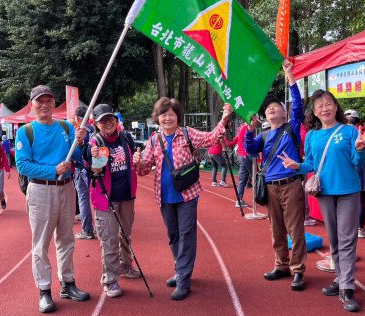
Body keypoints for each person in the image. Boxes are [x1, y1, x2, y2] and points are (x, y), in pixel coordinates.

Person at [133, 98, 233, 300]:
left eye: (171, 114)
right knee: (174, 236)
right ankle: (181, 269)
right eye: (163, 115)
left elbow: (211, 138)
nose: (167, 118)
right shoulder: (153, 140)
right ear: (158, 118)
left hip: (187, 194)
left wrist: (224, 119)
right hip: (165, 196)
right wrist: (138, 162)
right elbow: (144, 169)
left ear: (177, 117)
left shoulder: (187, 134)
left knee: (187, 234)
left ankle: (183, 279)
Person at [279, 89, 365, 312]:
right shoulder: (312, 136)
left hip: (348, 190)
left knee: (347, 239)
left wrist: (359, 149)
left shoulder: (349, 131)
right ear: (315, 113)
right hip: (325, 193)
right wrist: (297, 166)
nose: (325, 108)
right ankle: (340, 278)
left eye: (328, 104)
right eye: (319, 106)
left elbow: (359, 162)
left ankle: (347, 287)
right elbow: (310, 163)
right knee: (335, 239)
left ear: (335, 106)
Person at [15, 85, 90, 314]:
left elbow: (77, 157)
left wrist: (81, 141)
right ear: (32, 105)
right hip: (41, 190)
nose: (44, 105)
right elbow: (23, 165)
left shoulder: (66, 127)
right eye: (40, 101)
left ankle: (67, 283)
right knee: (41, 244)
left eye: (48, 100)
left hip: (66, 188)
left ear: (54, 103)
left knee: (66, 239)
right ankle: (44, 290)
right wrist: (53, 169)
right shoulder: (26, 131)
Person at [245, 60, 307, 291]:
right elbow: (250, 149)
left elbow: (298, 105)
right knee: (276, 230)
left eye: (275, 106)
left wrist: (289, 76)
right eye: (267, 107)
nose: (271, 108)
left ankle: (298, 270)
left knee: (295, 229)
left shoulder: (291, 128)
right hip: (271, 187)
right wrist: (250, 130)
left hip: (291, 185)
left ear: (284, 111)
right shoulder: (262, 135)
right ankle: (281, 266)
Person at [87, 103, 141, 298]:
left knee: (125, 234)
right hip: (106, 199)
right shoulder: (97, 142)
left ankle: (125, 266)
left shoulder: (126, 138)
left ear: (117, 121)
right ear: (97, 124)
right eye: (103, 120)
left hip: (127, 196)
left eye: (110, 119)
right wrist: (94, 161)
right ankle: (109, 279)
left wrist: (138, 159)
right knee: (109, 240)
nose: (108, 123)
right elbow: (97, 172)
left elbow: (135, 159)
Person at [345, 109, 365, 238]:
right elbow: (364, 154)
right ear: (358, 121)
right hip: (359, 167)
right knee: (361, 201)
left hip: (346, 170)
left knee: (346, 201)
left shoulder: (341, 132)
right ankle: (360, 228)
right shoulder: (358, 132)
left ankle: (348, 228)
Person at [73, 106, 96, 240]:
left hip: (81, 169)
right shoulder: (94, 130)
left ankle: (87, 229)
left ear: (77, 118)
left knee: (83, 199)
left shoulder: (79, 133)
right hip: (93, 169)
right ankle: (100, 227)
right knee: (97, 199)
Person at [234, 122, 252, 207]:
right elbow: (248, 142)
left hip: (241, 155)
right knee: (256, 176)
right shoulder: (246, 128)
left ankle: (239, 199)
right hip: (245, 155)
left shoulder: (241, 128)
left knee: (242, 179)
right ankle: (262, 197)